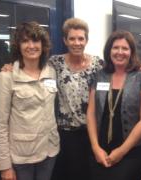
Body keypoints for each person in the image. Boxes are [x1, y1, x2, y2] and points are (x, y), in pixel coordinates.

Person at [0, 22, 59, 180]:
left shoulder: (50, 72)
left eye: (36, 41)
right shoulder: (6, 77)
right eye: (25, 41)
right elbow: (0, 125)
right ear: (18, 46)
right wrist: (5, 166)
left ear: (43, 45)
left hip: (50, 150)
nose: (31, 46)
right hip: (22, 156)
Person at [86, 30, 141, 180]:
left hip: (132, 151)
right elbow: (90, 114)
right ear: (109, 50)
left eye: (125, 48)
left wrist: (121, 151)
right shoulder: (99, 76)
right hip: (101, 148)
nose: (120, 52)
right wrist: (95, 147)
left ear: (131, 52)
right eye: (115, 47)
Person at [49, 18, 103, 180]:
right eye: (72, 38)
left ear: (86, 40)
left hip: (92, 133)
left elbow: (118, 74)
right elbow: (33, 69)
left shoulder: (97, 64)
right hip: (65, 135)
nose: (77, 43)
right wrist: (10, 66)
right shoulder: (55, 63)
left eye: (81, 38)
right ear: (65, 40)